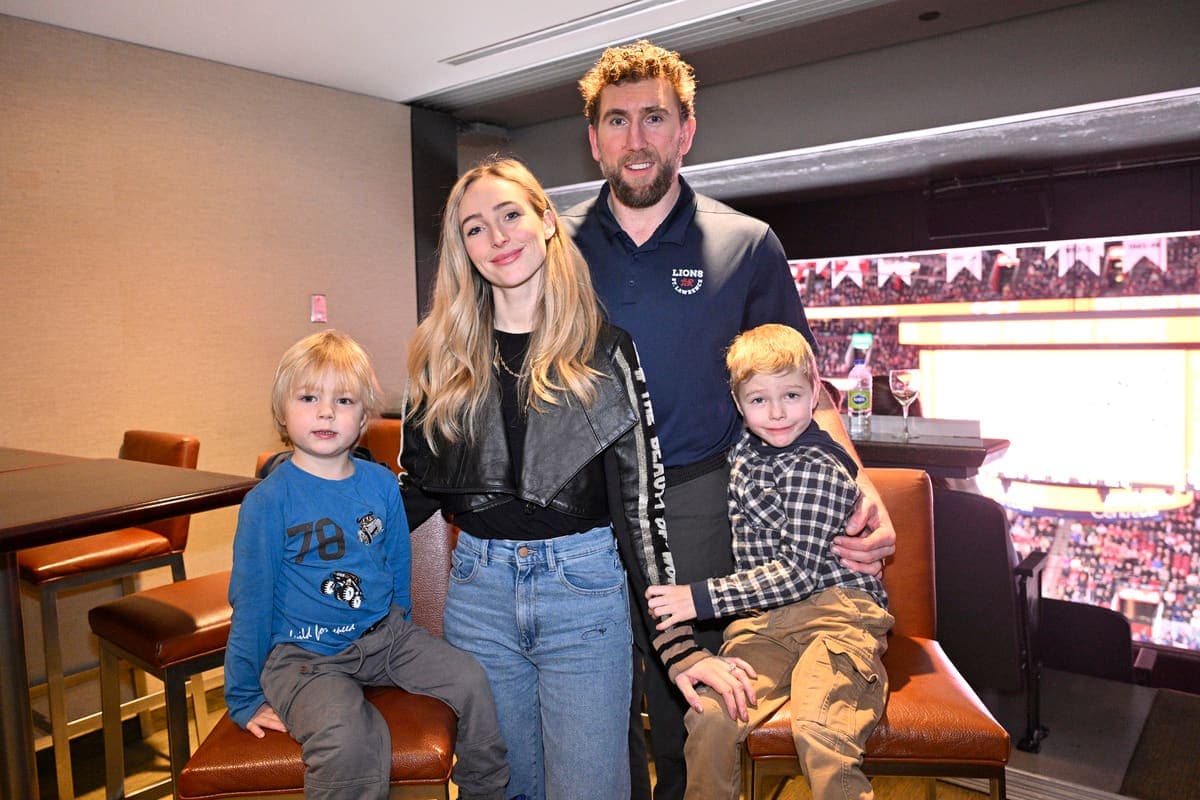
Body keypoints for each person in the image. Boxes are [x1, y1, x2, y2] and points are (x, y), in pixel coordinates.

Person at [561, 40, 897, 799]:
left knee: (700, 697)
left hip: (704, 499)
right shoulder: (557, 250)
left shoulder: (747, 243)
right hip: (586, 504)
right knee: (601, 694)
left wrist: (858, 479)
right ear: (594, 138)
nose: (636, 138)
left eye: (655, 117)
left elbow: (807, 382)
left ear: (687, 130)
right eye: (617, 121)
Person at [399, 157, 756, 800]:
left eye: (510, 215)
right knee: (504, 788)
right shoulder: (438, 355)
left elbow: (640, 508)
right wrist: (326, 511)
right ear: (462, 250)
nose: (497, 237)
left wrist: (675, 646)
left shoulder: (604, 348)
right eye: (474, 228)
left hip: (582, 593)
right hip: (477, 594)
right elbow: (415, 489)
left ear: (545, 223)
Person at [224, 329, 511, 800]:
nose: (325, 412)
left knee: (472, 680)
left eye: (344, 400)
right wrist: (243, 696)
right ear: (281, 410)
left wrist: (398, 624)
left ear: (363, 419)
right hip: (304, 658)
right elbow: (251, 604)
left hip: (386, 636)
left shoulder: (380, 485)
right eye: (309, 397)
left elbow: (397, 563)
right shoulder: (267, 502)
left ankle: (486, 791)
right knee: (349, 732)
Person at [646, 323, 893, 800]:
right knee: (710, 716)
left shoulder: (817, 466)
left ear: (816, 392)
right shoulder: (745, 449)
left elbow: (798, 574)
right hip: (765, 625)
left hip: (836, 616)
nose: (777, 413)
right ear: (738, 405)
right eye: (759, 400)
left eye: (792, 395)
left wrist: (699, 599)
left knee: (822, 731)